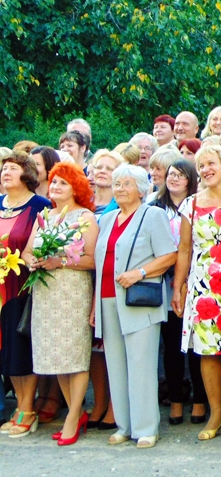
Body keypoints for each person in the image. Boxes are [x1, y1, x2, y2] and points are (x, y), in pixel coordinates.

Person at [94, 164, 178, 449]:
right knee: (116, 365)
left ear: (141, 190)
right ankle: (124, 425)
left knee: (141, 365)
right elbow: (101, 264)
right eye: (117, 184)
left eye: (126, 184)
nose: (119, 189)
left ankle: (146, 428)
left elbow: (169, 256)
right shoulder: (107, 219)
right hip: (107, 299)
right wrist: (94, 306)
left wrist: (139, 273)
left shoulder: (152, 215)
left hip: (139, 299)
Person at [172, 146, 221, 442]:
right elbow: (184, 249)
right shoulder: (190, 204)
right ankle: (215, 412)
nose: (205, 169)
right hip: (203, 286)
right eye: (201, 165)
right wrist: (178, 286)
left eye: (211, 163)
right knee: (207, 350)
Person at [23, 163, 98, 445]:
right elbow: (27, 250)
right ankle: (76, 414)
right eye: (53, 181)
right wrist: (32, 261)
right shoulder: (45, 215)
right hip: (45, 294)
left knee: (75, 356)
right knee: (58, 357)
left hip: (72, 292)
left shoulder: (85, 217)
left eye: (62, 183)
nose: (55, 187)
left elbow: (92, 259)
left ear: (76, 188)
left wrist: (60, 261)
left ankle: (73, 415)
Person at [149, 159, 207, 427]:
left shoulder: (199, 205)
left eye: (180, 175)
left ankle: (199, 399)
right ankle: (174, 399)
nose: (173, 179)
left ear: (190, 180)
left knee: (195, 344)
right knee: (171, 344)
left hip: (193, 279)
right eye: (171, 174)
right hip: (162, 280)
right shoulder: (153, 206)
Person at [0, 152, 52, 438]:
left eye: (12, 168)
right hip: (0, 290)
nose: (6, 172)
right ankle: (19, 406)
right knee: (5, 349)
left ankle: (27, 409)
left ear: (27, 174)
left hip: (23, 287)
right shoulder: (0, 203)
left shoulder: (40, 205)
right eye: (4, 168)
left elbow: (42, 246)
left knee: (22, 348)